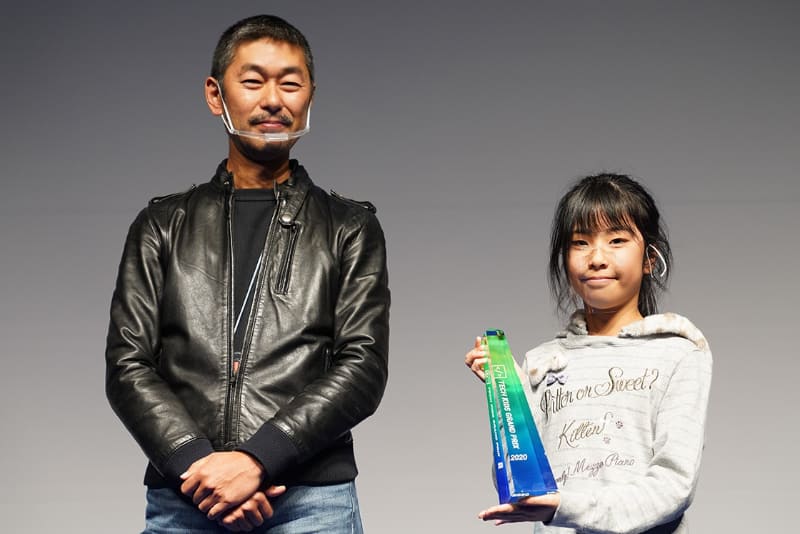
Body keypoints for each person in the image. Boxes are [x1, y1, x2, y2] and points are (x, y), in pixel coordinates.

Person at [105, 14, 389, 533]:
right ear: (216, 95)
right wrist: (199, 466)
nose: (273, 99)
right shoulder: (162, 225)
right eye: (254, 80)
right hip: (186, 495)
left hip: (310, 501)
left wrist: (258, 460)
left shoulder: (350, 227)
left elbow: (362, 367)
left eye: (290, 82)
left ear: (310, 96)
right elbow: (128, 365)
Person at [465, 174, 712, 533]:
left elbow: (673, 485)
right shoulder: (540, 363)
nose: (596, 258)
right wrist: (508, 398)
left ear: (649, 258)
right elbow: (524, 483)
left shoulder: (678, 353)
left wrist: (565, 507)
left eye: (616, 240)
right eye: (580, 242)